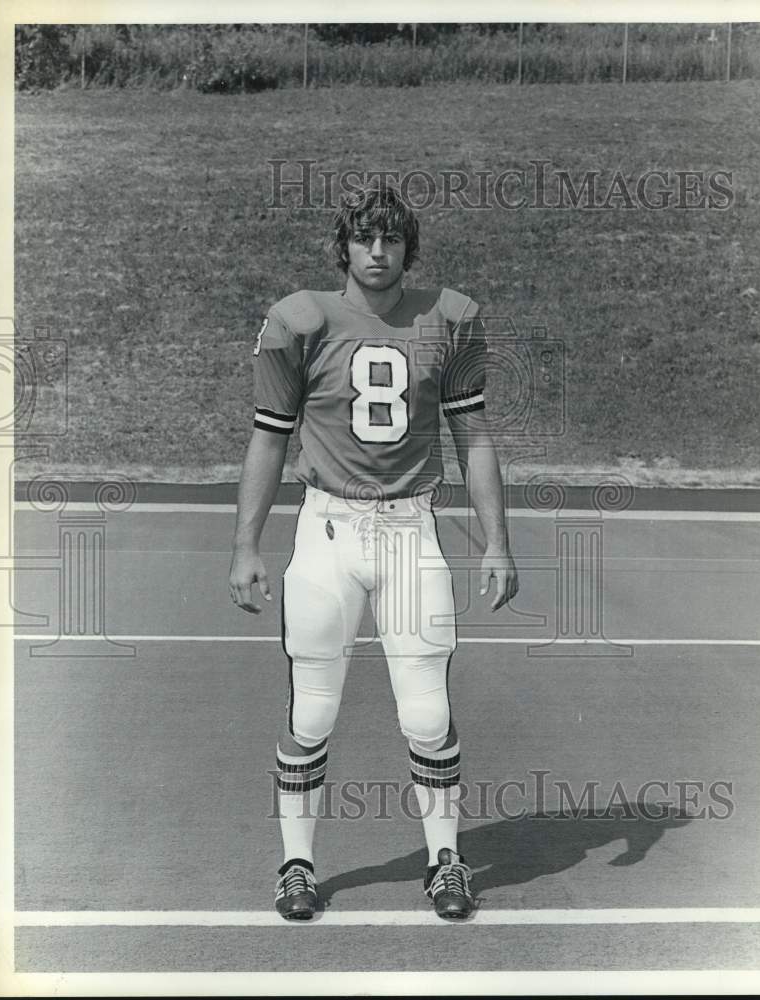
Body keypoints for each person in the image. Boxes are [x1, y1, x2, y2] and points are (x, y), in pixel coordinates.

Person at [229, 182, 518, 921]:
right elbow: (270, 435)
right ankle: (296, 864)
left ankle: (445, 860)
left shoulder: (448, 319)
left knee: (427, 713)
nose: (379, 252)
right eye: (366, 239)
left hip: (410, 532)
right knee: (312, 714)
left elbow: (472, 435)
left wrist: (497, 543)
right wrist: (246, 545)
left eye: (392, 240)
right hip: (327, 532)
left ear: (408, 249)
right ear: (346, 247)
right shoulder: (300, 320)